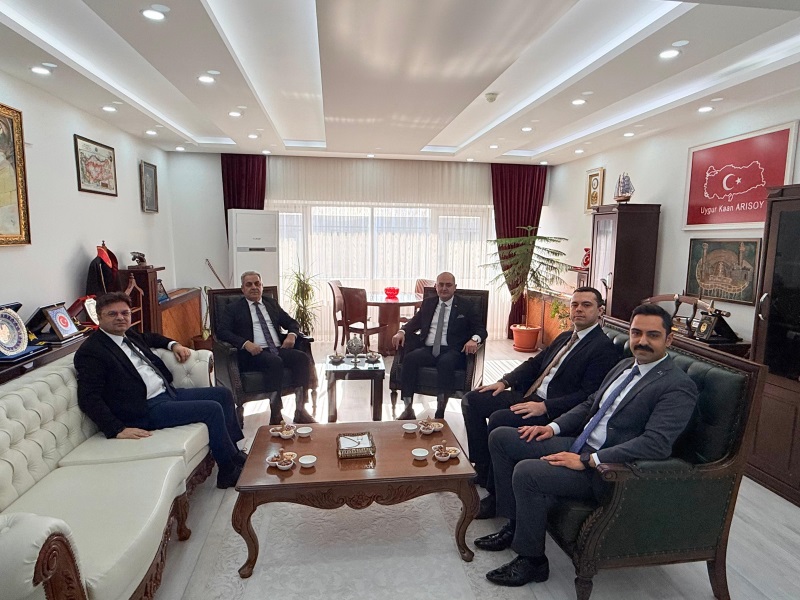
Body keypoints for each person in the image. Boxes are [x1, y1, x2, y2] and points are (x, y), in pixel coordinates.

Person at [475, 304, 697, 587]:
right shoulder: (625, 366)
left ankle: (532, 561)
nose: (642, 341)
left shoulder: (677, 386)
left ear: (669, 339)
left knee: (527, 472)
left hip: (607, 469)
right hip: (579, 443)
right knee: (502, 437)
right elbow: (591, 403)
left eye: (652, 335)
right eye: (636, 333)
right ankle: (515, 526)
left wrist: (588, 460)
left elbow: (656, 444)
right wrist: (552, 427)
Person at [462, 287, 620, 518]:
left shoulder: (603, 348)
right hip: (530, 395)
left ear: (600, 311)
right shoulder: (566, 336)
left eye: (586, 305)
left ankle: (497, 498)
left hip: (553, 409)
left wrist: (545, 407)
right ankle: (483, 468)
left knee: (499, 419)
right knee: (472, 400)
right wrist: (505, 382)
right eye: (575, 304)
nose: (578, 309)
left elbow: (588, 395)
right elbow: (535, 364)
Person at [75, 292, 246, 489]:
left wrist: (174, 344)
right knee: (212, 409)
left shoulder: (128, 335)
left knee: (223, 394)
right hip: (144, 409)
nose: (120, 318)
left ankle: (234, 453)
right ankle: (227, 471)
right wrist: (116, 429)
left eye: (125, 313)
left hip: (167, 394)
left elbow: (152, 338)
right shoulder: (92, 351)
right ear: (99, 317)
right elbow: (88, 397)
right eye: (112, 314)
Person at [216, 271, 314, 425]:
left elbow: (292, 322)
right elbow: (222, 332)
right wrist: (245, 343)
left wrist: (292, 335)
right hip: (252, 353)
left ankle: (301, 410)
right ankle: (276, 414)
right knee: (274, 361)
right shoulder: (233, 308)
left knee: (302, 358)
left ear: (262, 286)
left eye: (257, 284)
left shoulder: (271, 304)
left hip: (277, 348)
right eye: (249, 284)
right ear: (243, 289)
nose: (254, 287)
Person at [391, 272, 488, 420]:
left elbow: (481, 330)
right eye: (441, 285)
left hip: (452, 350)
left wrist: (474, 339)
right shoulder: (429, 303)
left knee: (445, 363)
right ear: (436, 287)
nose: (444, 288)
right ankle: (408, 408)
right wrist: (401, 332)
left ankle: (440, 412)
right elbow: (414, 322)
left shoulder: (465, 305)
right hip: (428, 349)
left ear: (455, 287)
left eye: (448, 285)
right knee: (410, 359)